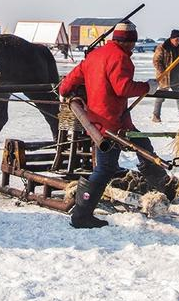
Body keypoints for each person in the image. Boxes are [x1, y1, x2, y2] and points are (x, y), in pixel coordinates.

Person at [57, 21, 172, 229]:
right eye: (133, 44)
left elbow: (66, 85)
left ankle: (160, 183)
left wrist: (67, 94)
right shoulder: (120, 58)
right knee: (105, 168)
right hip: (113, 124)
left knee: (142, 145)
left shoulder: (94, 56)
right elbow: (123, 88)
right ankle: (81, 215)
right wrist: (149, 87)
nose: (133, 48)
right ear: (128, 42)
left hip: (98, 121)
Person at [152, 29, 179, 122]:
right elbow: (156, 61)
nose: (178, 42)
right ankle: (156, 115)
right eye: (176, 40)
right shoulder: (162, 47)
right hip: (165, 77)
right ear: (171, 38)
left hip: (177, 77)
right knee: (160, 97)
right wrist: (163, 72)